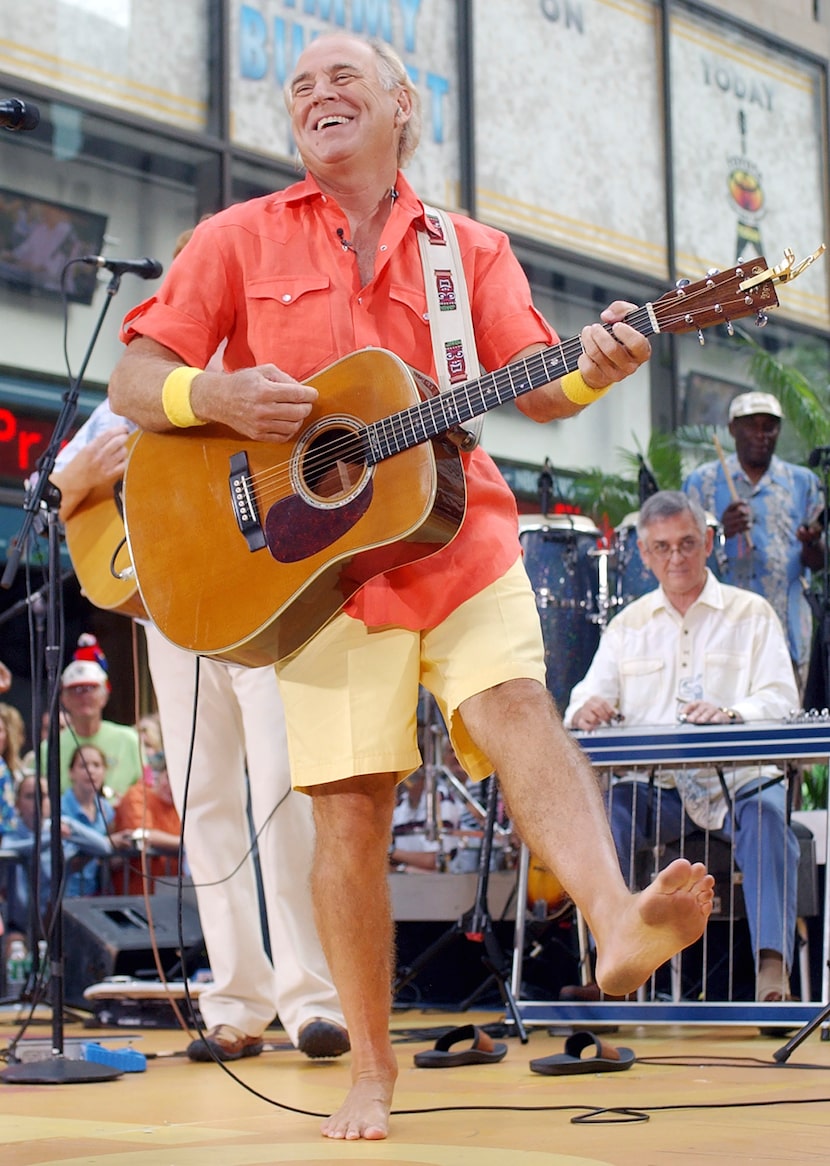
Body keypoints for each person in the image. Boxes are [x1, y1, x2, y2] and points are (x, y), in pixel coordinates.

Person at [108, 32, 714, 1140]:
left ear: (401, 110)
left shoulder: (467, 251)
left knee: (514, 701)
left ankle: (614, 917)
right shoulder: (233, 238)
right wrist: (218, 396)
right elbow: (137, 377)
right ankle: (370, 1069)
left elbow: (540, 379)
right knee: (346, 817)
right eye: (298, 87)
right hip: (316, 569)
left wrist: (604, 358)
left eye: (341, 78)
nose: (315, 94)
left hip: (454, 533)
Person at [48, 235, 349, 1062]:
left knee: (284, 795)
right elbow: (65, 485)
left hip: (264, 615)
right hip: (174, 624)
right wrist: (84, 485)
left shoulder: (266, 360)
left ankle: (311, 998)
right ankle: (235, 1003)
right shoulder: (142, 382)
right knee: (207, 802)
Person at [564, 491, 800, 1002]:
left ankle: (772, 975)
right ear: (645, 554)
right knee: (608, 818)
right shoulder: (627, 626)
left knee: (767, 817)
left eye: (688, 543)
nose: (676, 558)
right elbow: (585, 696)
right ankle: (609, 965)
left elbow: (782, 697)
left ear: (709, 543)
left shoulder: (752, 614)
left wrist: (733, 713)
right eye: (663, 547)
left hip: (739, 781)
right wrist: (586, 710)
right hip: (659, 790)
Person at [683, 391, 824, 684]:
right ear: (733, 429)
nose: (761, 434)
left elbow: (819, 562)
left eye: (769, 426)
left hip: (789, 634)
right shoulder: (701, 482)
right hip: (719, 635)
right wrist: (721, 532)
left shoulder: (804, 483)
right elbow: (682, 558)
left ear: (778, 430)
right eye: (751, 425)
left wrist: (812, 543)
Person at [42, 649, 144, 798]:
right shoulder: (49, 748)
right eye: (75, 690)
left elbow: (147, 787)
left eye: (90, 688)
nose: (84, 696)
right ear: (64, 699)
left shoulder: (130, 740)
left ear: (104, 696)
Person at [112, 751, 183, 895]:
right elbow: (142, 834)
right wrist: (186, 844)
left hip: (171, 895)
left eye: (179, 783)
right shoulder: (138, 795)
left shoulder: (183, 808)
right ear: (160, 775)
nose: (171, 787)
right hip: (133, 892)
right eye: (169, 778)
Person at [59, 743, 115, 896]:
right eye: (83, 766)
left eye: (96, 765)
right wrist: (105, 845)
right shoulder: (59, 808)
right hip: (64, 894)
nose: (90, 771)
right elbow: (66, 860)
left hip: (95, 893)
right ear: (71, 772)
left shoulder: (106, 809)